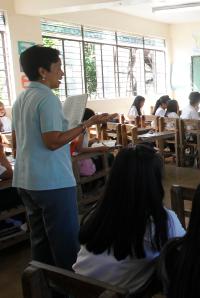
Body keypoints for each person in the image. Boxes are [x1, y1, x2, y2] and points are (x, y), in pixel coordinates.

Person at [12, 45, 112, 270]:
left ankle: (43, 286)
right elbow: (53, 141)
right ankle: (69, 288)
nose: (62, 73)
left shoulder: (21, 99)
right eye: (58, 67)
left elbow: (16, 142)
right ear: (43, 71)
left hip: (27, 180)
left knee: (40, 241)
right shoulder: (47, 98)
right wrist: (86, 124)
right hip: (51, 182)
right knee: (65, 243)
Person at [73, 145, 185, 293]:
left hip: (77, 288)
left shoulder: (98, 212)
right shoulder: (161, 220)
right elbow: (186, 252)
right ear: (154, 182)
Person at [72, 108, 112, 176]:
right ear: (87, 120)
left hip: (81, 159)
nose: (93, 122)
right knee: (110, 157)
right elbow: (79, 149)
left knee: (108, 157)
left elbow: (80, 144)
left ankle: (99, 181)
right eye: (93, 120)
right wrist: (99, 148)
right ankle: (101, 181)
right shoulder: (81, 130)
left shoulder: (79, 128)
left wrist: (91, 141)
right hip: (81, 162)